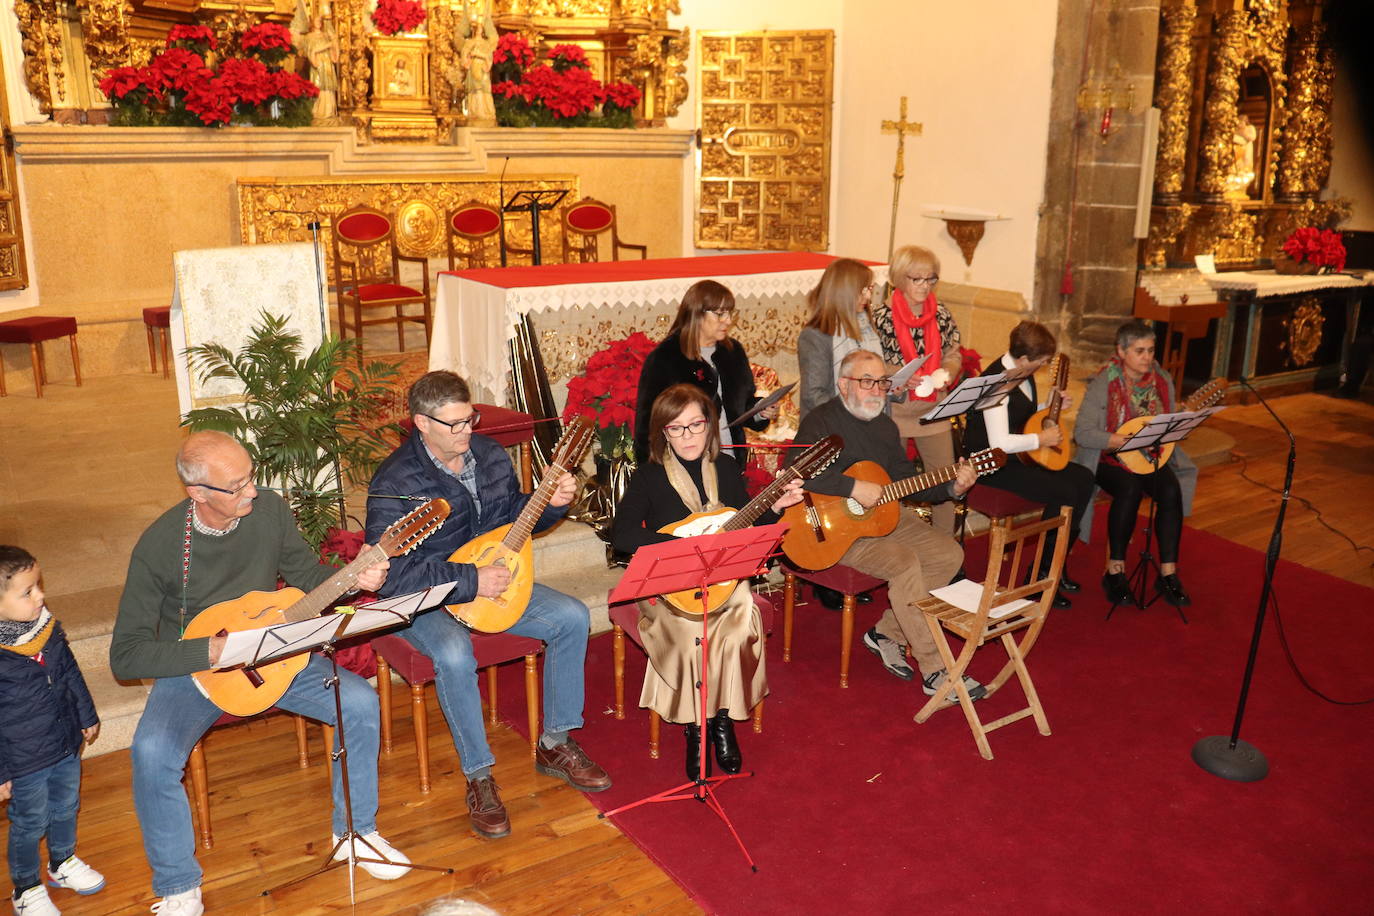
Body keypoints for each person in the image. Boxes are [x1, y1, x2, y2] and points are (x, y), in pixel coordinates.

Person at [111, 431, 405, 916]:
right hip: (197, 667)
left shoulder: (267, 510)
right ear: (198, 494)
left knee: (357, 702)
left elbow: (309, 579)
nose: (253, 491)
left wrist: (356, 577)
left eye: (252, 476)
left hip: (272, 651)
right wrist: (209, 651)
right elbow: (126, 655)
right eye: (238, 485)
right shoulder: (161, 546)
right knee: (151, 753)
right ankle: (178, 884)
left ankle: (355, 831)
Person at [365, 371, 610, 842]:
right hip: (428, 597)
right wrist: (471, 580)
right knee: (455, 654)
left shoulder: (490, 454)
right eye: (454, 425)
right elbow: (394, 575)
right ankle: (479, 777)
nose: (467, 432)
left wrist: (552, 503)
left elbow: (509, 518)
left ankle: (555, 742)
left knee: (573, 617)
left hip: (492, 580)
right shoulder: (395, 482)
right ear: (422, 423)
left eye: (469, 419)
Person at [612, 385, 803, 780]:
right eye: (677, 428)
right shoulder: (649, 478)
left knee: (734, 630)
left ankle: (722, 721)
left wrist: (777, 508)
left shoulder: (728, 470)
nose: (688, 437)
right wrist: (680, 545)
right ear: (662, 433)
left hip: (725, 584)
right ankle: (695, 729)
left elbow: (747, 529)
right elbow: (623, 535)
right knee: (689, 636)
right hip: (669, 588)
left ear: (710, 427)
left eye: (696, 425)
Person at [791, 349, 984, 699]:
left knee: (948, 554)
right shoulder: (820, 421)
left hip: (884, 515)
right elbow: (795, 473)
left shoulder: (884, 426)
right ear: (844, 384)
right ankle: (937, 668)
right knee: (905, 563)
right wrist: (850, 486)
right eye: (867, 382)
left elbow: (907, 482)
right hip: (831, 530)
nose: (878, 390)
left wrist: (952, 487)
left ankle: (887, 633)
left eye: (882, 382)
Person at [962, 320, 1096, 608]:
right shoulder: (997, 381)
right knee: (1064, 492)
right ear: (1024, 358)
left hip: (1018, 457)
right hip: (992, 465)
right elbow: (1000, 442)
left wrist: (1049, 404)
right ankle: (1038, 577)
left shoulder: (1022, 371)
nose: (1043, 367)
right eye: (1042, 362)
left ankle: (1054, 565)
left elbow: (1021, 414)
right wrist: (1041, 439)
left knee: (1084, 478)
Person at [1, 546, 103, 916]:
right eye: (27, 592)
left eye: (38, 585)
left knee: (65, 807)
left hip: (64, 742)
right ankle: (26, 888)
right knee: (29, 822)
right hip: (23, 758)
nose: (40, 595)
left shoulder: (47, 629)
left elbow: (70, 673)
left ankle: (62, 862)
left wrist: (86, 714)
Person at [1072, 320, 1198, 607]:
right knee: (1128, 488)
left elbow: (1165, 425)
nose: (1147, 358)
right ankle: (1114, 571)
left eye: (1151, 350)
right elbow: (1083, 434)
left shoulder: (1162, 380)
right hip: (1108, 459)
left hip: (1148, 458)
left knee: (1170, 490)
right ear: (1121, 351)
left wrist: (1180, 423)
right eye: (1139, 351)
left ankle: (1167, 574)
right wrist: (1125, 441)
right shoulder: (1104, 383)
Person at [872, 244, 964, 534]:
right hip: (894, 412)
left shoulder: (942, 314)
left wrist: (948, 371)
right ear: (899, 278)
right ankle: (896, 540)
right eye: (917, 279)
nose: (925, 286)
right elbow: (871, 363)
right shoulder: (880, 317)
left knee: (945, 481)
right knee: (892, 485)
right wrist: (898, 376)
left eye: (931, 279)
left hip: (934, 409)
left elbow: (953, 352)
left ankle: (945, 548)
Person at [634, 279, 776, 464]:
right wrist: (655, 475)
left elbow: (742, 406)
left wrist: (760, 411)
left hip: (730, 462)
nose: (728, 320)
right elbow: (647, 426)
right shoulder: (666, 358)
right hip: (685, 467)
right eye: (720, 314)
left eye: (730, 313)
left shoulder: (733, 352)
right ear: (697, 314)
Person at [797, 257, 883, 419]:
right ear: (844, 292)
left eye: (869, 288)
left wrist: (894, 390)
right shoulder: (816, 335)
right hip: (831, 426)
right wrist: (852, 416)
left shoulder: (866, 327)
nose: (868, 296)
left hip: (868, 422)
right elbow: (813, 394)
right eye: (863, 290)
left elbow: (873, 379)